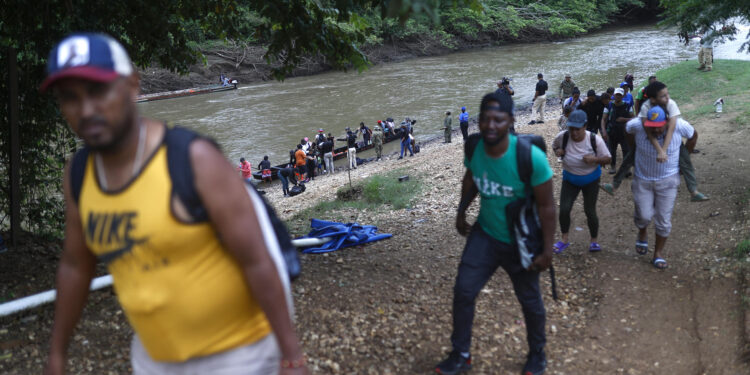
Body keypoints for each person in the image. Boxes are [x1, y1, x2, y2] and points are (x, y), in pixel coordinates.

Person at [41, 33, 308, 375]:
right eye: (70, 98)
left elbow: (258, 259)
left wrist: (292, 357)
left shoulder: (193, 160)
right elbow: (76, 266)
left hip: (240, 356)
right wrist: (57, 355)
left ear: (132, 86)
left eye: (98, 91)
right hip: (154, 360)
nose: (86, 109)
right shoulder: (79, 175)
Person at [435, 92, 555, 375]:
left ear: (510, 121)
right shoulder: (474, 148)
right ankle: (461, 354)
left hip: (521, 240)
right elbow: (472, 179)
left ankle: (537, 354)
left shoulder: (531, 158)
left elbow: (547, 207)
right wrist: (461, 211)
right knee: (464, 291)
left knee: (529, 300)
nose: (491, 125)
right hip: (485, 235)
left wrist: (547, 250)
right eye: (485, 119)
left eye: (498, 120)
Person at [603, 81, 709, 201]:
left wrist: (668, 150)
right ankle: (614, 185)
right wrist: (635, 146)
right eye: (663, 95)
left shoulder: (671, 105)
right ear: (652, 99)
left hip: (672, 136)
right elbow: (641, 129)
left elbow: (674, 126)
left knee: (686, 161)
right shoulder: (645, 108)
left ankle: (693, 191)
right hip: (650, 133)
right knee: (629, 158)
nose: (667, 97)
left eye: (667, 94)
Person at [627, 106, 698, 269]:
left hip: (669, 181)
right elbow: (627, 130)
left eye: (660, 126)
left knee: (664, 221)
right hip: (642, 180)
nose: (657, 130)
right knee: (644, 216)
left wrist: (684, 158)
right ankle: (642, 231)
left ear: (667, 121)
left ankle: (658, 253)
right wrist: (633, 150)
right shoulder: (638, 125)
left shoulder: (679, 125)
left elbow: (693, 135)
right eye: (652, 127)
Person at [551, 110, 611, 254]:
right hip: (570, 180)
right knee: (564, 209)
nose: (574, 132)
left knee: (589, 210)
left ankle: (594, 241)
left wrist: (594, 159)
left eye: (577, 129)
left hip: (591, 180)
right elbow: (554, 146)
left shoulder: (594, 140)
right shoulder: (563, 137)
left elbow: (608, 159)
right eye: (571, 128)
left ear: (585, 126)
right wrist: (558, 151)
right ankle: (564, 240)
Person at [601, 88, 633, 174]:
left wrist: (624, 119)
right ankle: (613, 167)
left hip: (624, 132)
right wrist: (604, 131)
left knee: (626, 150)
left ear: (623, 96)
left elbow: (633, 119)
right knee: (612, 150)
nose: (618, 96)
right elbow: (603, 119)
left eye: (620, 95)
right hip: (612, 132)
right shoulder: (608, 106)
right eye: (616, 95)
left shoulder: (628, 106)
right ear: (613, 95)